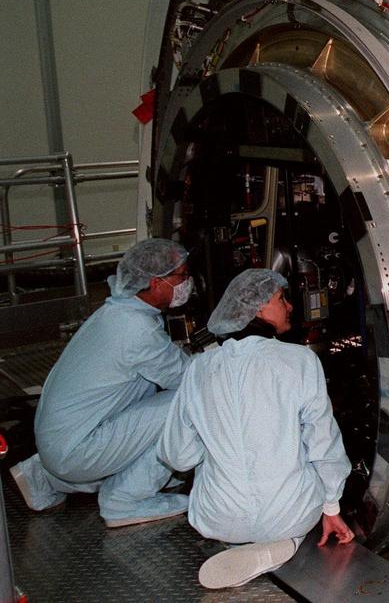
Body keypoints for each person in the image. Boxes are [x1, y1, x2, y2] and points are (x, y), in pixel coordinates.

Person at [159, 268, 353, 589]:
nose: (290, 306)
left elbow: (178, 456)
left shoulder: (199, 368)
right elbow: (323, 444)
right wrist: (331, 507)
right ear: (258, 308)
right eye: (282, 298)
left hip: (216, 518)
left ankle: (240, 541)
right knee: (301, 467)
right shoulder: (300, 360)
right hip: (289, 517)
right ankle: (286, 545)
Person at [9, 237, 193, 526]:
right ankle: (125, 501)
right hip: (76, 451)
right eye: (181, 276)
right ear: (157, 283)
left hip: (56, 445)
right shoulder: (136, 329)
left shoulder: (116, 313)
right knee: (190, 402)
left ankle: (42, 479)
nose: (187, 283)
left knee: (150, 404)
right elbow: (189, 379)